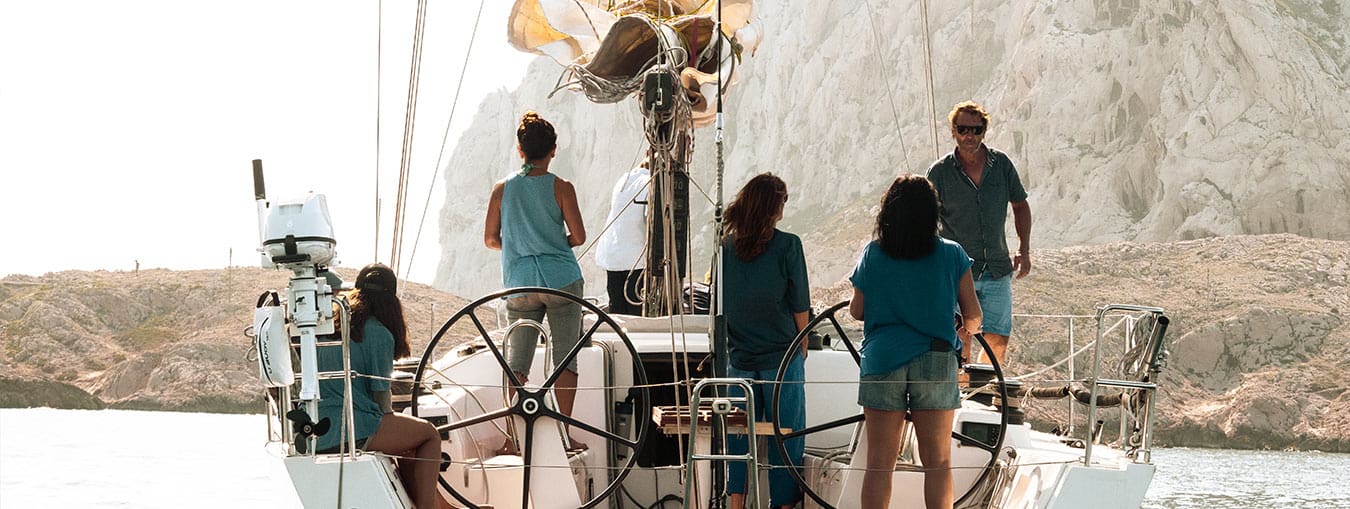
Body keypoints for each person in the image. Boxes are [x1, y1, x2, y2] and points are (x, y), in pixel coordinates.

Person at [849, 175, 982, 509]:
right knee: (937, 462)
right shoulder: (952, 254)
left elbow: (857, 310)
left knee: (880, 462)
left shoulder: (873, 253)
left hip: (882, 359)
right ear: (931, 212)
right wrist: (961, 332)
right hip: (935, 359)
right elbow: (974, 317)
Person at [483, 111, 588, 452]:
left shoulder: (502, 190)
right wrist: (554, 244)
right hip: (561, 280)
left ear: (520, 149)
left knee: (518, 362)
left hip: (521, 283)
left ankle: (513, 440)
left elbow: (490, 238)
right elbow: (579, 235)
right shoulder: (562, 187)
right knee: (565, 359)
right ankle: (564, 436)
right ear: (553, 150)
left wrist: (516, 245)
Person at [315, 263, 449, 509]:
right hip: (354, 429)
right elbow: (381, 396)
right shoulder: (379, 333)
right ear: (391, 301)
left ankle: (438, 505)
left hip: (319, 432)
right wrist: (394, 421)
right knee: (429, 434)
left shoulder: (330, 329)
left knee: (407, 443)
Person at [721, 173, 810, 509]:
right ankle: (783, 505)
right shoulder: (788, 245)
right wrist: (801, 346)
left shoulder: (725, 246)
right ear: (776, 206)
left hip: (740, 358)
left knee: (738, 436)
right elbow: (800, 302)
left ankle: (736, 503)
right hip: (781, 358)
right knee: (785, 436)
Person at [926, 100, 1031, 366]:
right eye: (963, 129)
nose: (969, 135)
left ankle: (983, 388)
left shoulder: (1002, 165)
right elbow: (926, 219)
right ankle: (959, 393)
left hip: (996, 267)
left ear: (984, 130)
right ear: (953, 131)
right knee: (960, 337)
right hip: (957, 272)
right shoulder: (938, 173)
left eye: (976, 129)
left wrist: (1024, 250)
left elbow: (1020, 205)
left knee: (998, 337)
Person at [595, 154, 651, 315]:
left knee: (617, 312)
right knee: (636, 312)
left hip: (612, 255)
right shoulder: (651, 182)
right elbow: (650, 221)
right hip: (636, 258)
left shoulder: (625, 179)